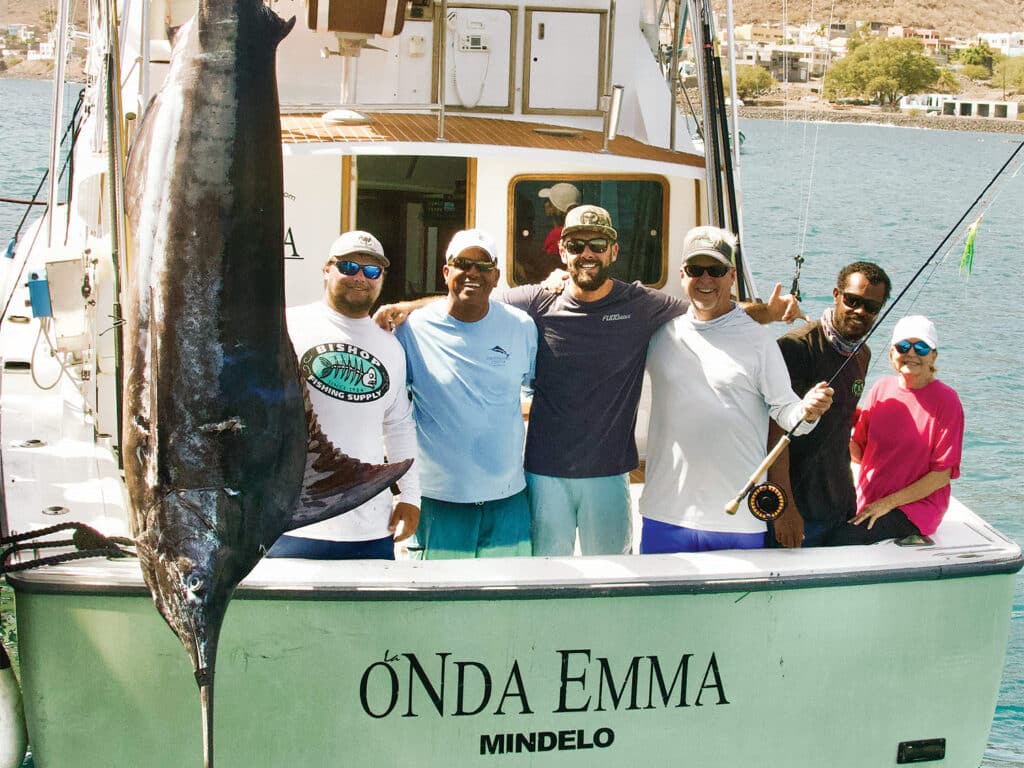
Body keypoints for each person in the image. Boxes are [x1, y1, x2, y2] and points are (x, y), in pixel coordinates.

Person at [376, 208, 801, 557]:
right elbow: (468, 297)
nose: (587, 253)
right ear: (563, 252)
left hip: (609, 475)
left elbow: (706, 305)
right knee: (545, 580)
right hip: (544, 473)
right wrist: (405, 308)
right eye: (577, 245)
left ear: (613, 250)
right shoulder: (535, 301)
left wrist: (766, 313)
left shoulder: (642, 304)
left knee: (611, 579)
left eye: (597, 244)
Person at [639, 226, 833, 553]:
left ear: (731, 276)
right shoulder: (660, 334)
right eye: (695, 270)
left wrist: (809, 410)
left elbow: (786, 412)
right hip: (664, 515)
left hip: (737, 519)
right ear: (682, 275)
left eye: (715, 270)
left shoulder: (759, 341)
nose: (705, 280)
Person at [269, 230, 420, 559]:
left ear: (381, 279)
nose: (360, 278)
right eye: (349, 267)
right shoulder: (285, 326)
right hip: (293, 523)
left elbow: (398, 426)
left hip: (369, 527)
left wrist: (410, 496)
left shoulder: (391, 347)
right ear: (326, 269)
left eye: (371, 271)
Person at [394, 229, 537, 559]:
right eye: (462, 263)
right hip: (438, 501)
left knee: (505, 604)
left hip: (508, 498)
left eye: (483, 265)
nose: (473, 272)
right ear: (446, 272)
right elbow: (393, 412)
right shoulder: (410, 329)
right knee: (436, 606)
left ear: (496, 276)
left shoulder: (522, 326)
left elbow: (528, 388)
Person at [766, 262, 892, 547]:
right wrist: (784, 508)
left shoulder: (863, 354)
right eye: (852, 300)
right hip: (796, 508)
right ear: (836, 295)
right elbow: (775, 434)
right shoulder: (796, 347)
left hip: (840, 503)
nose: (860, 311)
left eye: (871, 307)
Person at [824, 315, 964, 546]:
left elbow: (941, 476)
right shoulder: (881, 388)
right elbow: (858, 451)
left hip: (914, 508)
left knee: (840, 540)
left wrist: (887, 504)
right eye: (903, 346)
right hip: (869, 500)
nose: (911, 353)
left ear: (933, 356)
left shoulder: (947, 401)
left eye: (921, 347)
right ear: (891, 354)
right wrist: (835, 419)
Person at [538, 182, 581, 255]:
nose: (545, 204)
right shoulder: (579, 231)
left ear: (556, 207)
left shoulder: (556, 235)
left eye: (548, 201)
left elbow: (547, 264)